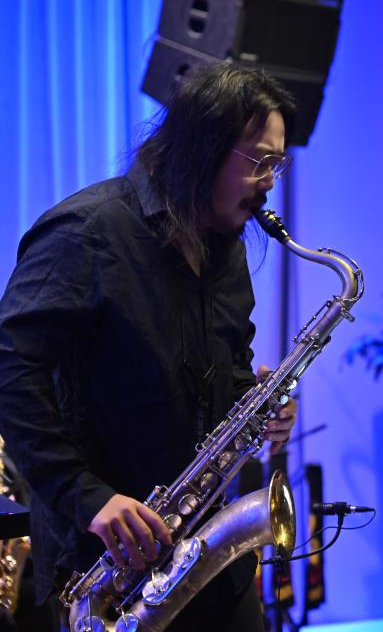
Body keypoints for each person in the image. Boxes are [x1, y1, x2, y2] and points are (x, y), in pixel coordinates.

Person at [0, 63, 299, 631]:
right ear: (203, 149)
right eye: (259, 162)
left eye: (276, 164)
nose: (268, 182)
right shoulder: (86, 233)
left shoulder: (226, 246)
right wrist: (87, 496)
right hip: (107, 566)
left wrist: (257, 405)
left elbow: (228, 364)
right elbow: (11, 371)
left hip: (207, 558)